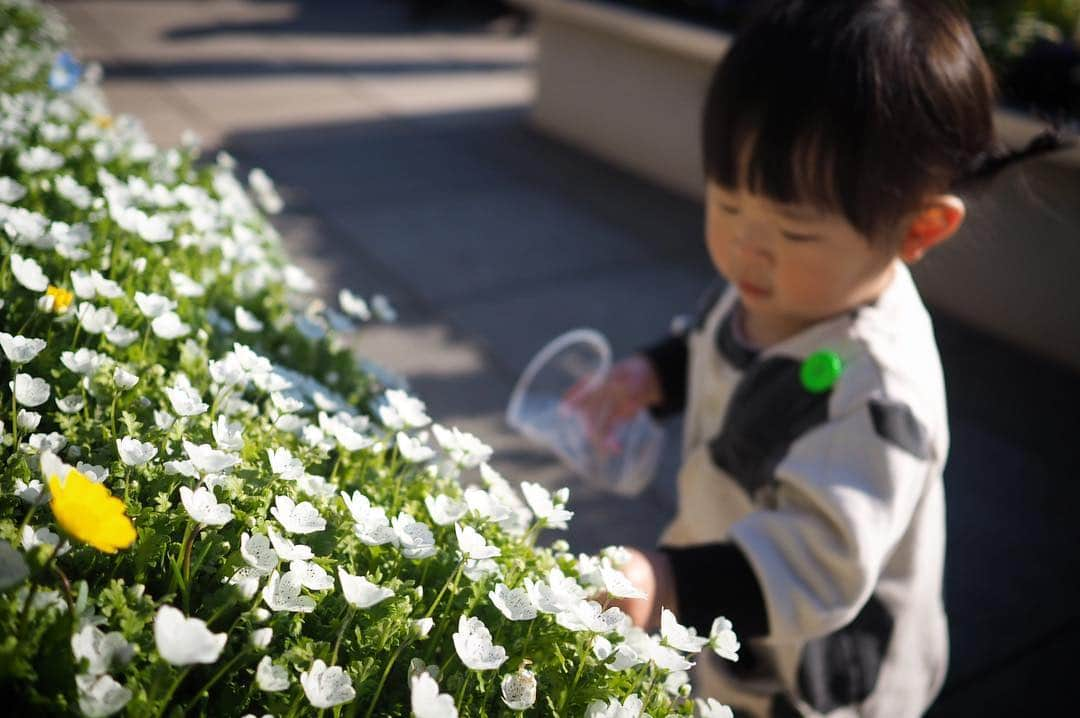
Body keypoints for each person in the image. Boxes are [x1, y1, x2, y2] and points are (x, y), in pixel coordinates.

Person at [565, 1, 1069, 716]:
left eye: (794, 231)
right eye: (728, 204)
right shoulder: (773, 287)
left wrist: (669, 584)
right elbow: (716, 341)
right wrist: (653, 374)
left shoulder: (877, 394)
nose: (747, 249)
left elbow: (818, 560)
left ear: (920, 228)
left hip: (826, 681)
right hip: (737, 618)